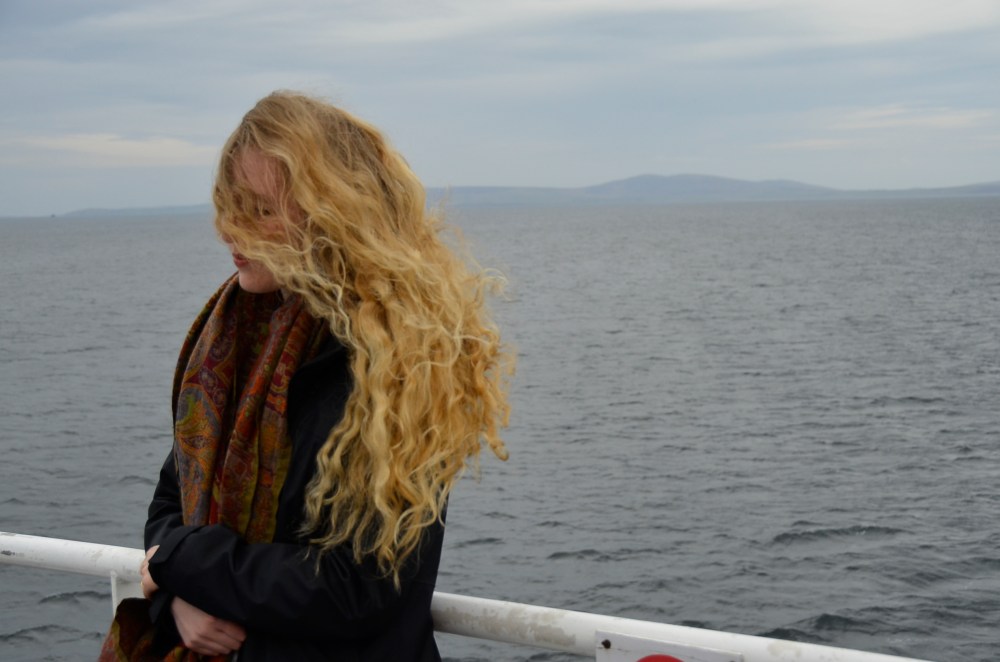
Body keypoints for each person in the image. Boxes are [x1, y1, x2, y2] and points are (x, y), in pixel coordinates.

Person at [99, 91, 513, 661]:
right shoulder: (236, 340)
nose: (230, 231)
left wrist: (177, 567)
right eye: (229, 206)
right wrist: (174, 599)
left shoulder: (400, 364)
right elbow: (172, 504)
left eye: (260, 211)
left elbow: (357, 586)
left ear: (337, 215)